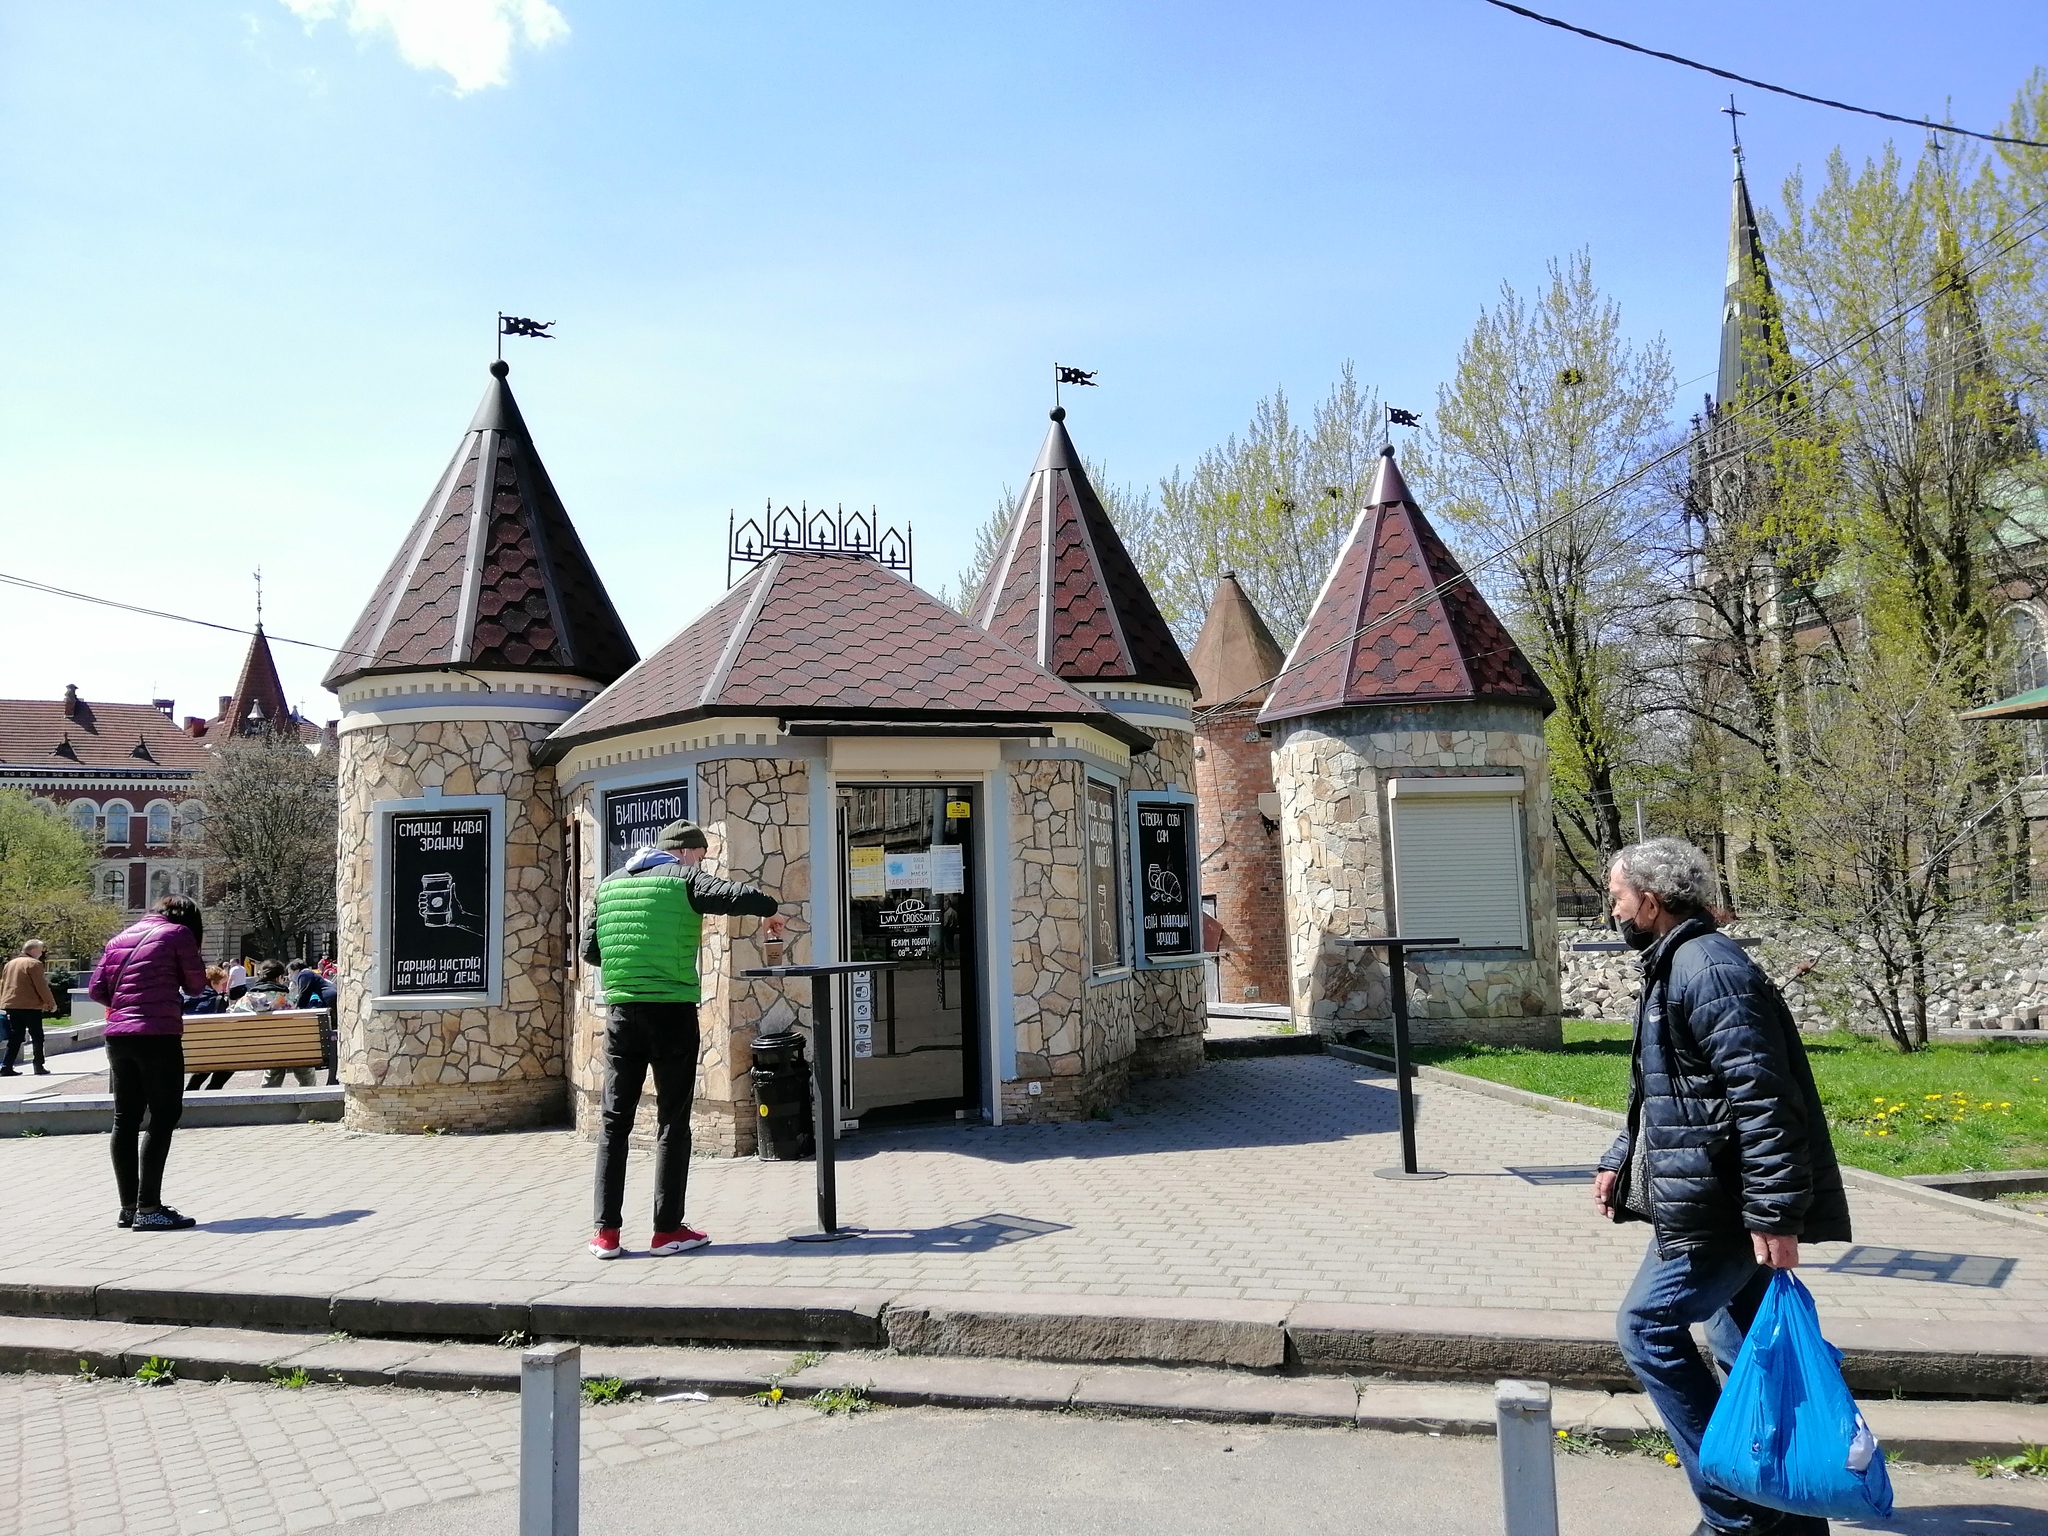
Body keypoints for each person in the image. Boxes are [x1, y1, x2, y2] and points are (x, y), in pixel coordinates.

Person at [1594, 838, 1849, 1536]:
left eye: (1616, 895)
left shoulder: (1708, 969)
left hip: (1721, 1206)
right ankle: (1790, 1519)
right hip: (1714, 1195)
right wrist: (1623, 1153)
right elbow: (1667, 1085)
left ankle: (1737, 1510)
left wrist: (1773, 1210)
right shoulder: (1675, 962)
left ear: (1649, 899)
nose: (1611, 908)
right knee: (1745, 1349)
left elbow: (1766, 1098)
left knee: (1646, 1328)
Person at [581, 818, 785, 1260]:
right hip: (671, 1013)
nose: (702, 862)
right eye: (701, 855)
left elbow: (590, 951)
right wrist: (770, 908)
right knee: (672, 1120)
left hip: (620, 1015)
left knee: (615, 1123)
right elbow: (736, 897)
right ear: (687, 852)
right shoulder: (685, 878)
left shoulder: (611, 885)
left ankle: (605, 1235)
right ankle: (666, 1230)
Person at [90, 895, 208, 1231]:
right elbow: (197, 985)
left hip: (119, 1036)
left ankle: (129, 1207)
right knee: (164, 1115)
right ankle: (150, 1207)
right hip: (158, 1034)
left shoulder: (118, 939)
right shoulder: (178, 935)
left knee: (125, 1118)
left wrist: (128, 1003)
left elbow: (98, 989)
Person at [233, 962, 315, 1088]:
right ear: (279, 978)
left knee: (275, 1054)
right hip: (291, 1049)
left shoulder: (246, 1000)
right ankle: (309, 1100)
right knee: (295, 1053)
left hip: (261, 1049)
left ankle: (267, 1098)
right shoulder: (288, 1000)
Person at [1, 939, 59, 1076]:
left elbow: (4, 985)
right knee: (37, 1036)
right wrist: (51, 1003)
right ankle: (38, 1065)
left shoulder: (10, 964)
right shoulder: (34, 964)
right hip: (30, 1006)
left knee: (16, 1036)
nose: (41, 953)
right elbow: (41, 986)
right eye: (40, 950)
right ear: (33, 950)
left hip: (11, 1005)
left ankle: (6, 1066)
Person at [183, 966, 236, 1091]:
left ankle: (192, 1088)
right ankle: (213, 1088)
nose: (224, 988)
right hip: (207, 1051)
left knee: (209, 1053)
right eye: (222, 985)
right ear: (213, 983)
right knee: (228, 1058)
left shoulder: (184, 997)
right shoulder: (217, 1000)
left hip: (185, 1052)